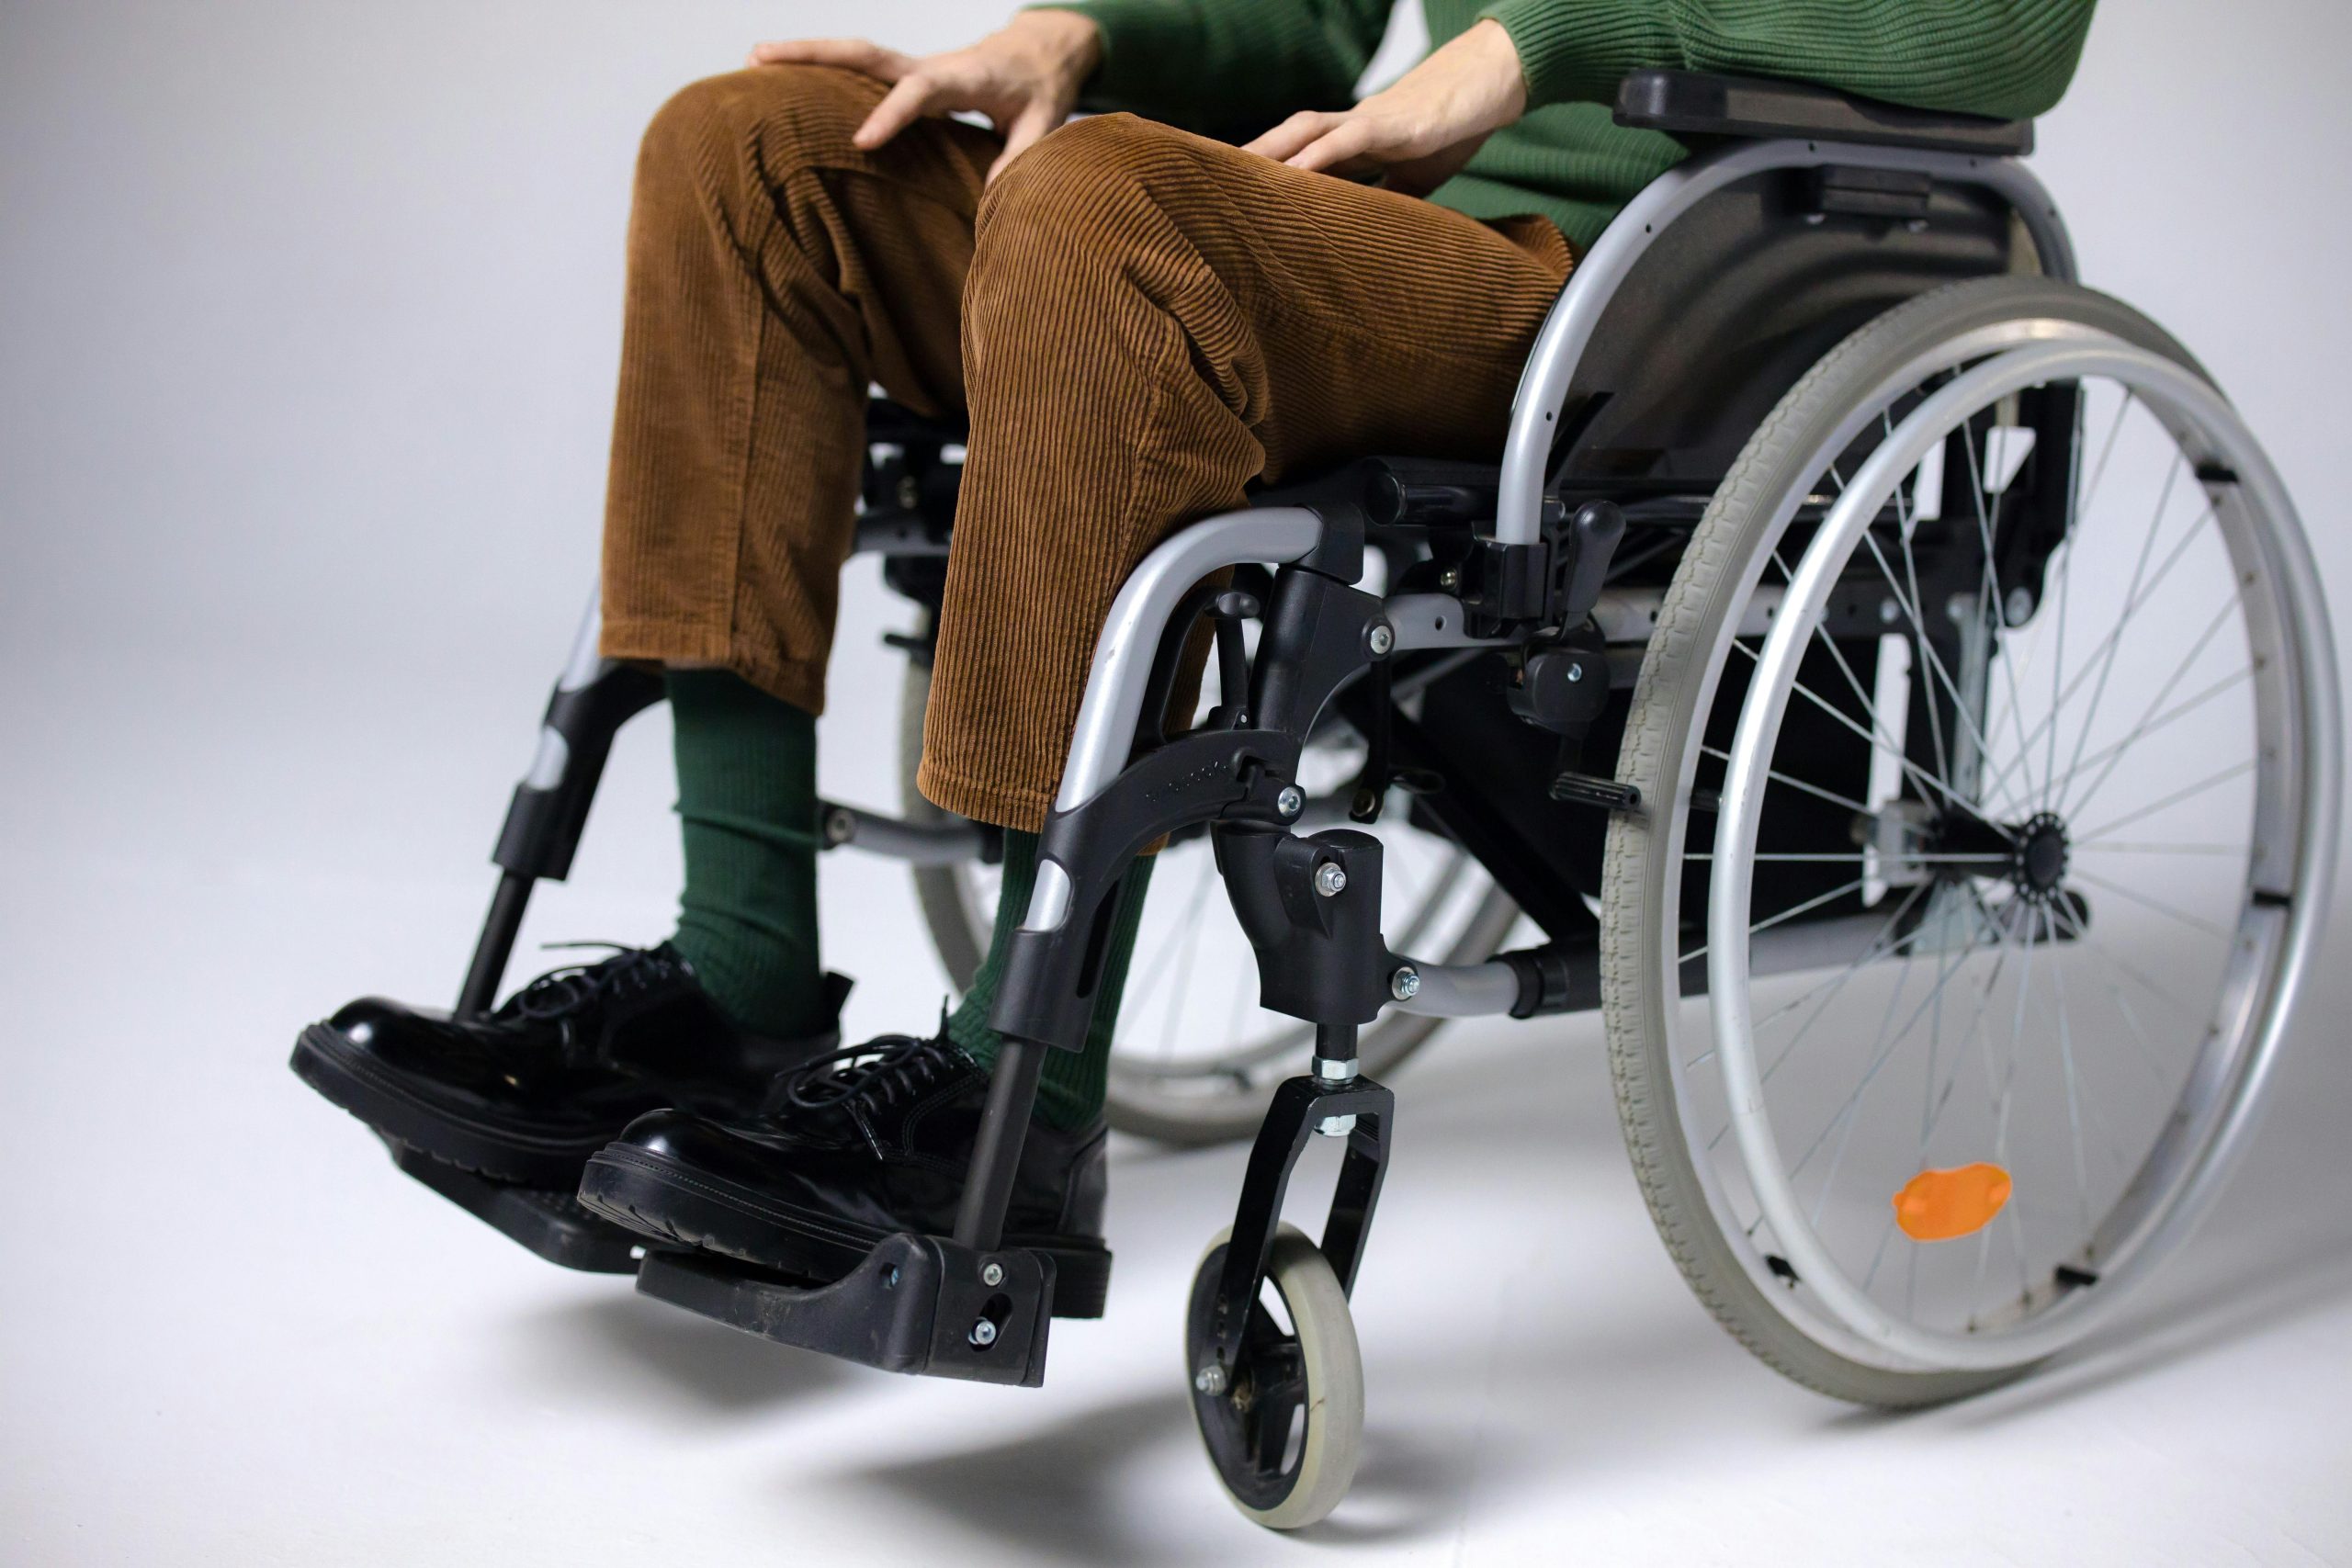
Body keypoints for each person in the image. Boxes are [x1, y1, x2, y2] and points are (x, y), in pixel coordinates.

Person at [291, 0, 2099, 1288]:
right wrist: (1080, 32)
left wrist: (1538, 38)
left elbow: (1999, 34)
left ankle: (1017, 1095)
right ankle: (734, 969)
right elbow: (1306, 17)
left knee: (1101, 209)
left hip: (1618, 284)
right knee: (748, 153)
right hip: (1365, 232)